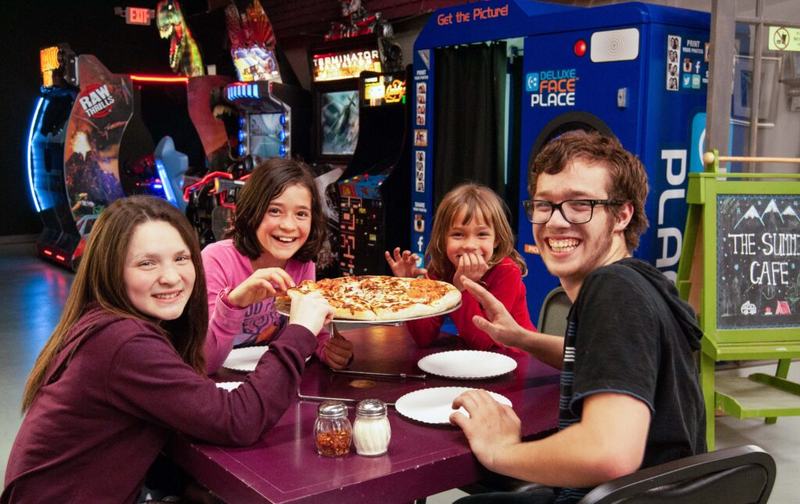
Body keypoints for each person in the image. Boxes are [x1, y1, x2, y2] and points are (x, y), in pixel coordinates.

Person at [1, 195, 332, 503]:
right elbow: (239, 419)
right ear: (110, 268)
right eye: (147, 263)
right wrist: (300, 331)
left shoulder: (106, 322)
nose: (171, 277)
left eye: (181, 258)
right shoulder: (124, 342)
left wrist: (182, 487)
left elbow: (122, 442)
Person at [449, 131, 705, 503]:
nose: (556, 222)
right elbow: (600, 357)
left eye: (580, 204)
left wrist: (500, 451)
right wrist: (520, 337)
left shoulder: (612, 289)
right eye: (544, 205)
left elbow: (609, 453)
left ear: (621, 215)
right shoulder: (641, 282)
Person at [202, 158, 352, 373]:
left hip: (274, 376)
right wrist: (234, 303)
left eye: (301, 214)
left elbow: (311, 333)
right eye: (274, 210)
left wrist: (328, 349)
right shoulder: (215, 259)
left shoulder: (302, 264)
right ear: (252, 210)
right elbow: (205, 361)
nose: (288, 225)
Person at [385, 183, 535, 351]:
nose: (470, 245)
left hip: (519, 357)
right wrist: (410, 287)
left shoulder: (507, 271)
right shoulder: (442, 269)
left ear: (497, 239)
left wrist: (463, 288)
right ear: (443, 239)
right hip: (473, 358)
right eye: (458, 234)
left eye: (482, 234)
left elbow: (484, 343)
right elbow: (423, 338)